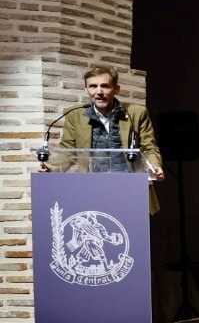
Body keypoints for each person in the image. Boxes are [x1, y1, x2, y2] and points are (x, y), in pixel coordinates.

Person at [40, 64, 164, 214]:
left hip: (130, 189)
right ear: (86, 90)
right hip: (90, 189)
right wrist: (52, 168)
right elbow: (68, 150)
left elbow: (148, 148)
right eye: (93, 86)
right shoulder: (75, 115)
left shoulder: (136, 113)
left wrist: (154, 167)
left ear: (116, 89)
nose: (99, 92)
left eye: (105, 86)